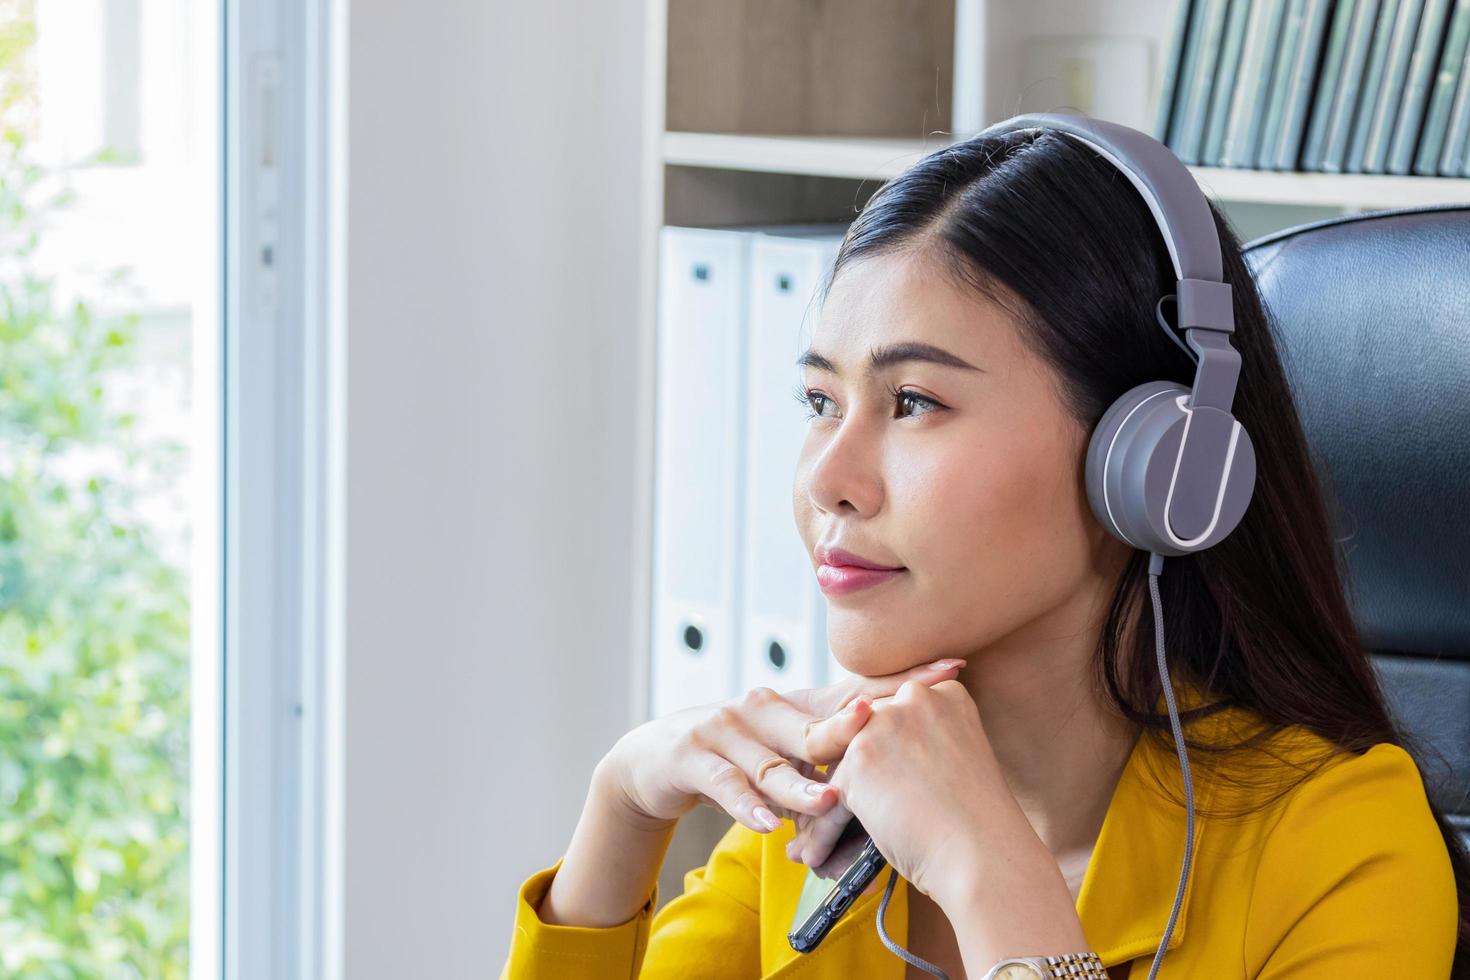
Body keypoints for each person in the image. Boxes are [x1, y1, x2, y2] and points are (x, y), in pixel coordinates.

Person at [498, 124, 1467, 979]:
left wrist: (989, 873)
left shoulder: (1337, 844)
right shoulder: (828, 810)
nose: (827, 478)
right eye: (820, 402)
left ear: (1155, 460)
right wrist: (620, 812)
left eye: (914, 401)